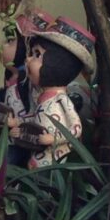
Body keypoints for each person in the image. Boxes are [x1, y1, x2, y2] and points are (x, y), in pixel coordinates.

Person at [20, 21, 92, 167]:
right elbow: (35, 117)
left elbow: (76, 128)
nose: (28, 59)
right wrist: (19, 125)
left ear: (58, 64)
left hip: (56, 159)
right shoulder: (40, 97)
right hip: (40, 156)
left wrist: (53, 138)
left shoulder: (61, 99)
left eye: (37, 54)